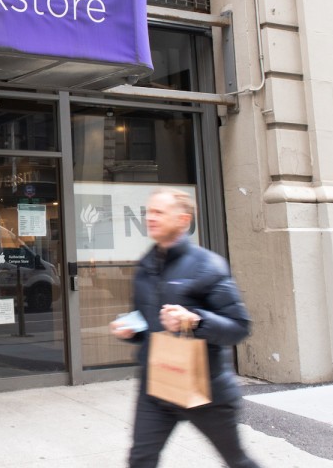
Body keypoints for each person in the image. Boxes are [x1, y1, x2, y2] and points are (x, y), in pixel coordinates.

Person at [110, 187, 260, 468]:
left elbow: (239, 327)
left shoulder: (208, 266)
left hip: (206, 389)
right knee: (140, 459)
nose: (150, 218)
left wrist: (195, 320)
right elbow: (149, 321)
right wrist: (132, 330)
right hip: (157, 385)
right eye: (148, 212)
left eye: (158, 212)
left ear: (183, 219)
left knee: (237, 461)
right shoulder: (146, 266)